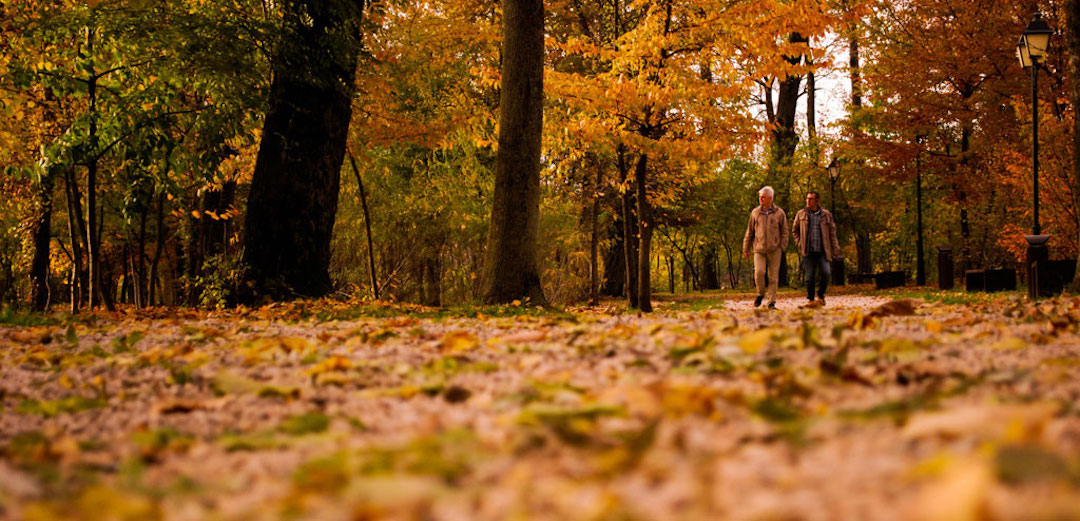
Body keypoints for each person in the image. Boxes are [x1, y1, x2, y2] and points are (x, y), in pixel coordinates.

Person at [792, 191, 841, 305]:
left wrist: (836, 249)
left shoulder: (826, 215)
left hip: (823, 250)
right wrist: (800, 243)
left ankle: (821, 294)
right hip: (808, 250)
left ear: (817, 200)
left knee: (826, 273)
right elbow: (795, 230)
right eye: (807, 198)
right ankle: (811, 299)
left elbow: (832, 233)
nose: (808, 201)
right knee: (809, 277)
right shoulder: (801, 214)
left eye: (811, 199)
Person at [743, 186, 788, 309]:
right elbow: (750, 231)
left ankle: (771, 302)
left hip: (775, 249)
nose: (761, 199)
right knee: (759, 272)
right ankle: (760, 293)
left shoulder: (780, 213)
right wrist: (746, 248)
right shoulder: (755, 212)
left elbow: (784, 231)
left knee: (773, 277)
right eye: (760, 197)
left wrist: (782, 246)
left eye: (763, 197)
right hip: (759, 249)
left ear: (770, 198)